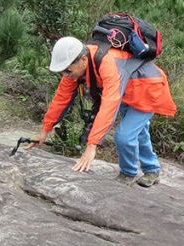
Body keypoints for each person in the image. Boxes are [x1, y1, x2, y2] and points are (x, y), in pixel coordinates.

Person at [28, 36, 176, 185]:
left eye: (67, 71)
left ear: (83, 60)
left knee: (124, 136)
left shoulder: (107, 62)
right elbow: (61, 99)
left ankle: (128, 173)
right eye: (62, 72)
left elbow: (109, 106)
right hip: (127, 92)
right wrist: (44, 130)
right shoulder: (74, 67)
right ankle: (152, 169)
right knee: (139, 132)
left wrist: (92, 145)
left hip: (148, 89)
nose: (65, 75)